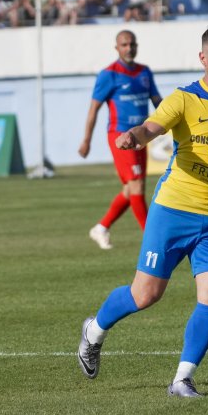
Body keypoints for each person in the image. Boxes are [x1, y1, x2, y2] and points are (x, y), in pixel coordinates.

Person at [77, 24, 208, 398]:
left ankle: (182, 378)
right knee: (146, 294)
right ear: (203, 59)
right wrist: (133, 136)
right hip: (173, 210)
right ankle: (94, 330)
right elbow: (151, 127)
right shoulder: (184, 99)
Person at [79, 30, 162, 250]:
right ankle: (151, 238)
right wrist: (86, 140)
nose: (129, 48)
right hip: (120, 137)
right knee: (137, 186)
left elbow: (158, 102)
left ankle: (101, 227)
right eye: (124, 44)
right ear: (117, 48)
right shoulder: (109, 74)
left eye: (132, 44)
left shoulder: (145, 72)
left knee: (130, 190)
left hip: (140, 135)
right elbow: (93, 109)